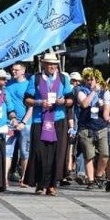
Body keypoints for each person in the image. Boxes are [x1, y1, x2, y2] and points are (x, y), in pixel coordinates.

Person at [24, 52, 73, 196]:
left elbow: (71, 99)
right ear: (44, 64)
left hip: (58, 119)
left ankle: (52, 185)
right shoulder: (36, 78)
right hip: (40, 120)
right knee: (39, 153)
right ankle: (40, 183)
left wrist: (63, 101)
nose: (52, 66)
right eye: (49, 64)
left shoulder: (63, 78)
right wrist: (40, 102)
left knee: (56, 154)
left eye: (54, 64)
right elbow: (27, 99)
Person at [75, 69, 109, 189]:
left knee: (105, 154)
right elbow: (84, 104)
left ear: (97, 80)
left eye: (92, 79)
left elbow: (108, 106)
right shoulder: (80, 90)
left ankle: (99, 175)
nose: (90, 82)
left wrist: (103, 105)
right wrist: (93, 92)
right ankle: (90, 180)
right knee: (89, 156)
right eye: (87, 79)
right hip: (86, 127)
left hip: (101, 126)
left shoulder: (104, 91)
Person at [4, 62, 32, 187]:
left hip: (25, 124)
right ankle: (4, 178)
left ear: (23, 71)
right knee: (7, 151)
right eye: (12, 69)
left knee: (25, 152)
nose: (13, 72)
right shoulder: (7, 85)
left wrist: (23, 122)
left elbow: (31, 107)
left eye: (16, 70)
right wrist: (13, 120)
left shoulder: (28, 85)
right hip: (9, 122)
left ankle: (24, 178)